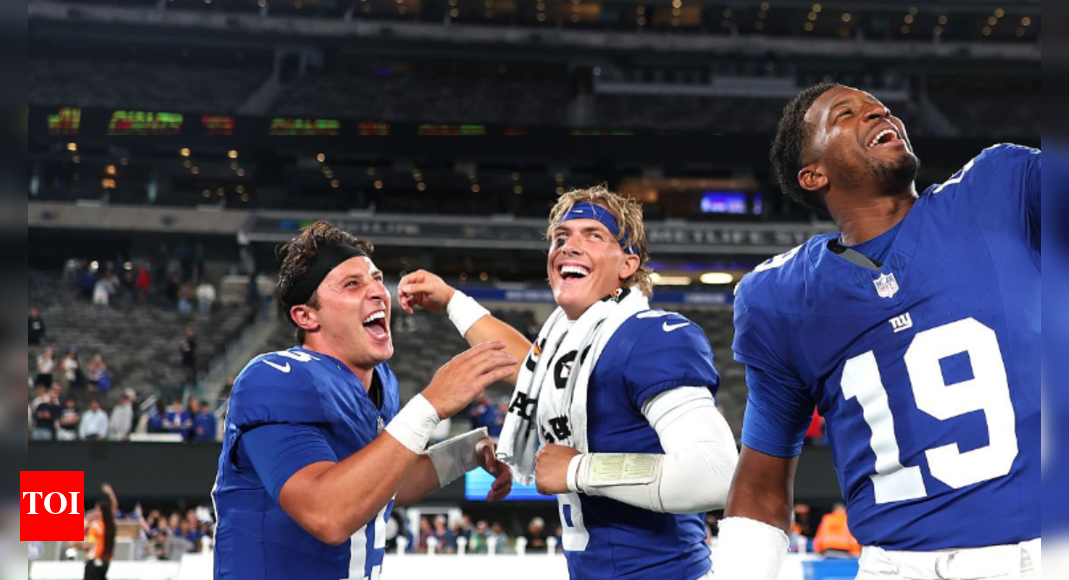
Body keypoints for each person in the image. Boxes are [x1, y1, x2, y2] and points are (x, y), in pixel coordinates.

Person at [715, 83, 1041, 580]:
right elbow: (762, 482)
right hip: (895, 566)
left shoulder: (1000, 185)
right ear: (812, 174)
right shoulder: (778, 297)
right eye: (845, 114)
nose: (876, 114)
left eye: (882, 109)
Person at [398, 186, 739, 580]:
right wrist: (453, 301)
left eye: (593, 235)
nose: (569, 246)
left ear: (628, 264)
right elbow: (529, 365)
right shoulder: (570, 342)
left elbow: (716, 472)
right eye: (561, 237)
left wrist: (578, 469)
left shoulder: (649, 337)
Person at [212, 221, 517, 580]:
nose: (378, 291)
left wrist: (467, 452)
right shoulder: (275, 379)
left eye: (377, 278)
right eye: (352, 284)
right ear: (306, 316)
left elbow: (380, 484)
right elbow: (326, 513)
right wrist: (430, 405)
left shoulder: (380, 382)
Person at [72, 498, 116, 580]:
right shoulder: (110, 526)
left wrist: (78, 545)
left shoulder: (95, 526)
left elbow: (90, 544)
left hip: (94, 560)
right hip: (106, 561)